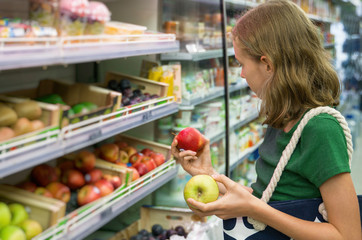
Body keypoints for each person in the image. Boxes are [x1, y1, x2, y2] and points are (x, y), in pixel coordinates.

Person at [171, 0, 361, 239]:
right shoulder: (282, 117)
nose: (240, 73)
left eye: (241, 64)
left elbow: (348, 235)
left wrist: (254, 209)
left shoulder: (320, 128)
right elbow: (273, 196)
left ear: (268, 65)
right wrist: (208, 175)